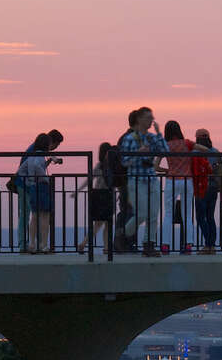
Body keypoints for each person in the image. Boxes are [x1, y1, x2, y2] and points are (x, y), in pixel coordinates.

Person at [118, 107, 168, 256]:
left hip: (151, 179)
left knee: (153, 214)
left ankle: (149, 245)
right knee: (141, 213)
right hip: (136, 180)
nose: (151, 121)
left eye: (151, 118)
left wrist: (159, 133)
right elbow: (124, 162)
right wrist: (138, 154)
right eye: (148, 118)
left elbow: (165, 151)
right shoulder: (129, 139)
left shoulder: (152, 137)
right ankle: (123, 234)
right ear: (139, 119)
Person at [160, 121, 211, 254]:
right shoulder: (187, 143)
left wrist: (167, 170)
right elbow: (206, 150)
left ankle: (165, 245)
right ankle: (188, 245)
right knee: (187, 214)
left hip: (171, 180)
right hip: (187, 180)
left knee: (168, 214)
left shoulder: (165, 146)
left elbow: (155, 166)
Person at [16, 129, 63, 252]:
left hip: (28, 184)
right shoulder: (37, 151)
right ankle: (31, 244)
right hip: (29, 186)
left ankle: (33, 244)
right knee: (32, 215)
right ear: (50, 142)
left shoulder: (35, 149)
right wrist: (44, 179)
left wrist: (47, 162)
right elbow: (36, 167)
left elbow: (31, 167)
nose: (54, 148)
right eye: (56, 145)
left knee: (34, 215)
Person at [74, 142, 112, 253]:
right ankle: (85, 244)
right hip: (103, 196)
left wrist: (78, 190)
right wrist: (79, 190)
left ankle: (105, 247)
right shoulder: (105, 166)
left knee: (104, 224)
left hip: (100, 195)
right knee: (101, 224)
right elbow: (89, 179)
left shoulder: (100, 166)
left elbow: (89, 179)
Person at [193, 128, 222, 254]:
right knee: (210, 217)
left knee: (201, 217)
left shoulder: (194, 152)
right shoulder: (215, 151)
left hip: (201, 187)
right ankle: (212, 246)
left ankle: (207, 245)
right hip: (214, 187)